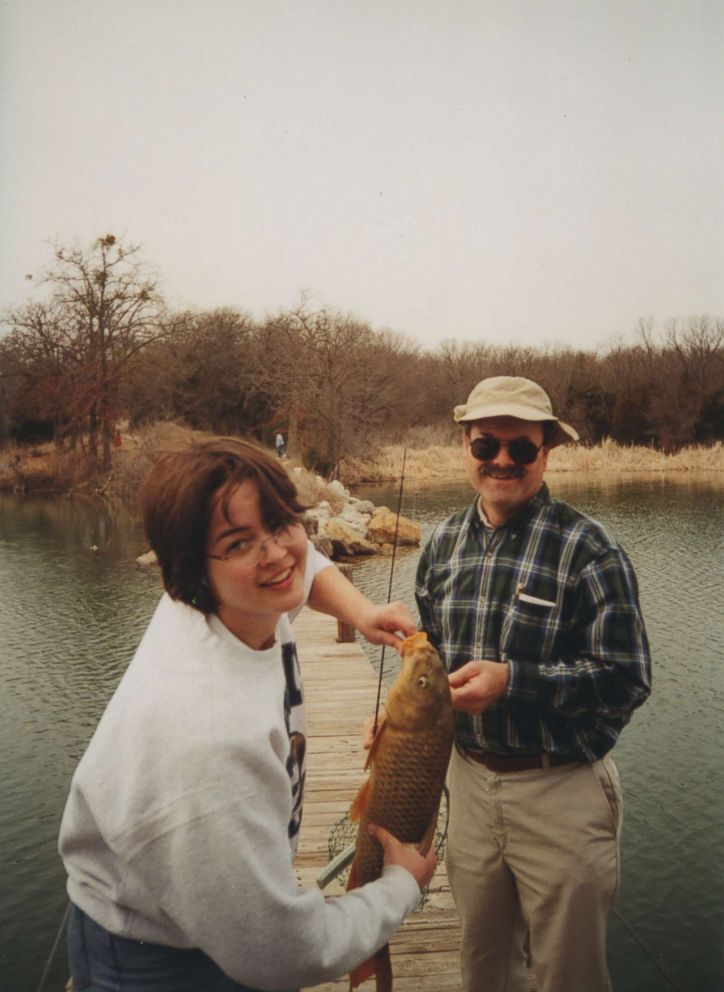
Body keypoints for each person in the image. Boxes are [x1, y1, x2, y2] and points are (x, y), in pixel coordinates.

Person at [59, 436, 435, 992]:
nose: (277, 553)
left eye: (282, 522)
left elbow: (301, 567)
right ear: (190, 569)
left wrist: (362, 611)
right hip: (158, 962)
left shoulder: (230, 598)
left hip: (204, 913)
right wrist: (401, 886)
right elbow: (280, 952)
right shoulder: (208, 740)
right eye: (239, 544)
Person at [414, 376, 651, 992]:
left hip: (561, 789)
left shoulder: (590, 548)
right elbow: (430, 658)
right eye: (486, 444)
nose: (502, 461)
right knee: (483, 965)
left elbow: (627, 678)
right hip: (467, 782)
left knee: (569, 975)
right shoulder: (439, 545)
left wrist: (515, 680)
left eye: (521, 448)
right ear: (466, 446)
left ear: (547, 453)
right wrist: (399, 722)